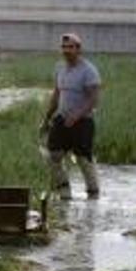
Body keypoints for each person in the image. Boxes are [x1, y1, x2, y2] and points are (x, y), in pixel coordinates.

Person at [40, 33, 102, 200]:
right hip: (62, 118)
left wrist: (77, 116)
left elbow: (93, 99)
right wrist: (46, 118)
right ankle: (64, 191)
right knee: (52, 155)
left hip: (83, 121)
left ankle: (93, 192)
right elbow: (56, 94)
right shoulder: (60, 68)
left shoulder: (89, 71)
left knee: (83, 159)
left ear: (78, 49)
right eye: (64, 47)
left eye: (70, 47)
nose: (66, 50)